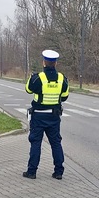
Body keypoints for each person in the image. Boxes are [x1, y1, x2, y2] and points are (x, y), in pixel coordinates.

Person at [23, 49, 69, 180]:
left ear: (44, 62)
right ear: (55, 64)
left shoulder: (37, 78)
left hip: (38, 116)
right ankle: (58, 172)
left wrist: (31, 77)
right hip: (54, 117)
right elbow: (64, 97)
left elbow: (27, 89)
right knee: (56, 143)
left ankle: (32, 172)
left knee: (36, 143)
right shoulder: (62, 79)